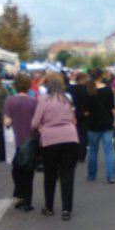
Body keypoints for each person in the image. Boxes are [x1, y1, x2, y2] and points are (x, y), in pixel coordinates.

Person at [32, 74, 79, 220]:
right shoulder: (66, 100)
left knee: (50, 174)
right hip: (70, 137)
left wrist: (41, 127)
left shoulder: (43, 100)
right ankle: (66, 209)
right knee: (67, 174)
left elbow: (34, 123)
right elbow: (73, 120)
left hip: (50, 139)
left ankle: (49, 206)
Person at [4, 73, 38, 211]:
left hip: (14, 141)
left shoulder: (9, 101)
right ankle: (27, 201)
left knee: (16, 170)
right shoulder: (34, 102)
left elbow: (7, 121)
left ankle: (20, 195)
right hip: (30, 141)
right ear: (29, 85)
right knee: (29, 172)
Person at [85, 68, 115, 184]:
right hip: (107, 123)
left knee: (93, 150)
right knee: (109, 150)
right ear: (100, 76)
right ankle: (111, 175)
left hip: (93, 124)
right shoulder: (107, 90)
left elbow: (86, 110)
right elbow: (112, 107)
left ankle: (91, 174)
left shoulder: (88, 90)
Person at [67, 71, 89, 163]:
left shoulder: (71, 89)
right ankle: (82, 154)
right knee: (83, 135)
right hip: (84, 114)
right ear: (82, 79)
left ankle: (74, 153)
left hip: (73, 113)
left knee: (74, 134)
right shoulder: (86, 89)